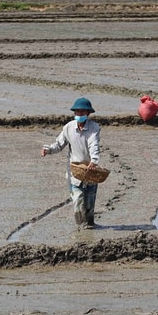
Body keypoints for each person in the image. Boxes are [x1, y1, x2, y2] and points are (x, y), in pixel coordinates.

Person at [41, 97, 101, 230]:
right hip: (75, 170)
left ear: (88, 114)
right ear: (74, 113)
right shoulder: (68, 128)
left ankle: (90, 223)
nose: (79, 115)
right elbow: (59, 144)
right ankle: (81, 224)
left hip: (90, 168)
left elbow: (94, 144)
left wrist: (94, 160)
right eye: (77, 112)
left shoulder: (94, 128)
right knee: (78, 197)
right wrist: (48, 149)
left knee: (90, 197)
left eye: (82, 112)